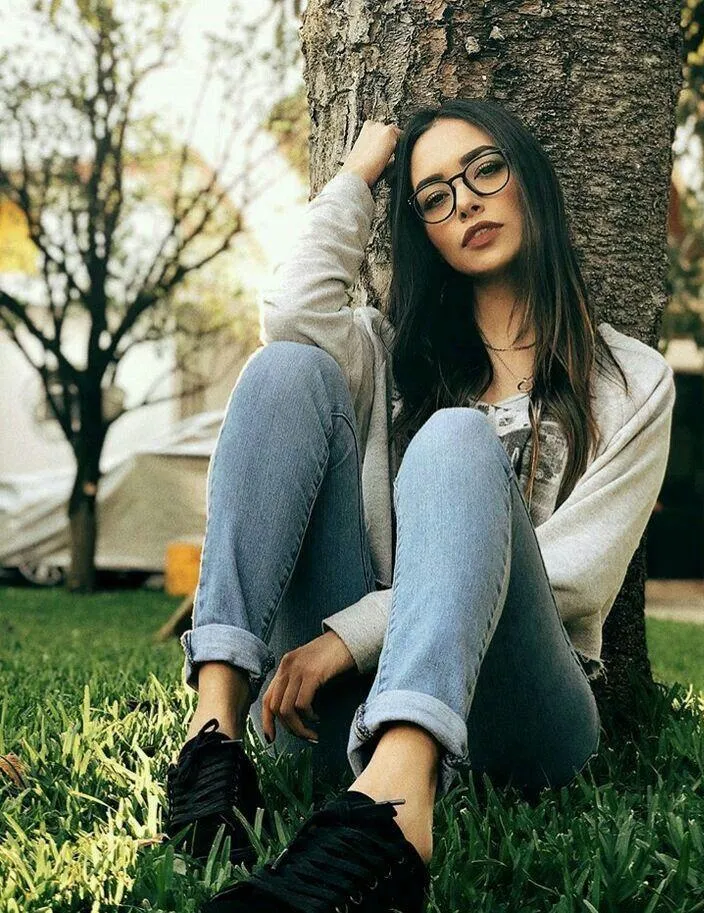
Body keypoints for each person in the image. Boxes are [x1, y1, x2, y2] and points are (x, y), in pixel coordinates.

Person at [163, 99, 676, 913]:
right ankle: (213, 742)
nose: (464, 201)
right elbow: (290, 313)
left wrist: (350, 635)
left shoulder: (631, 379)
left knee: (453, 442)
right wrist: (358, 173)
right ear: (423, 230)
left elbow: (574, 582)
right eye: (434, 195)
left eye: (483, 170)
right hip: (335, 718)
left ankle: (397, 813)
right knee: (283, 371)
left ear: (528, 180)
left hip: (523, 716)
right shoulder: (388, 351)